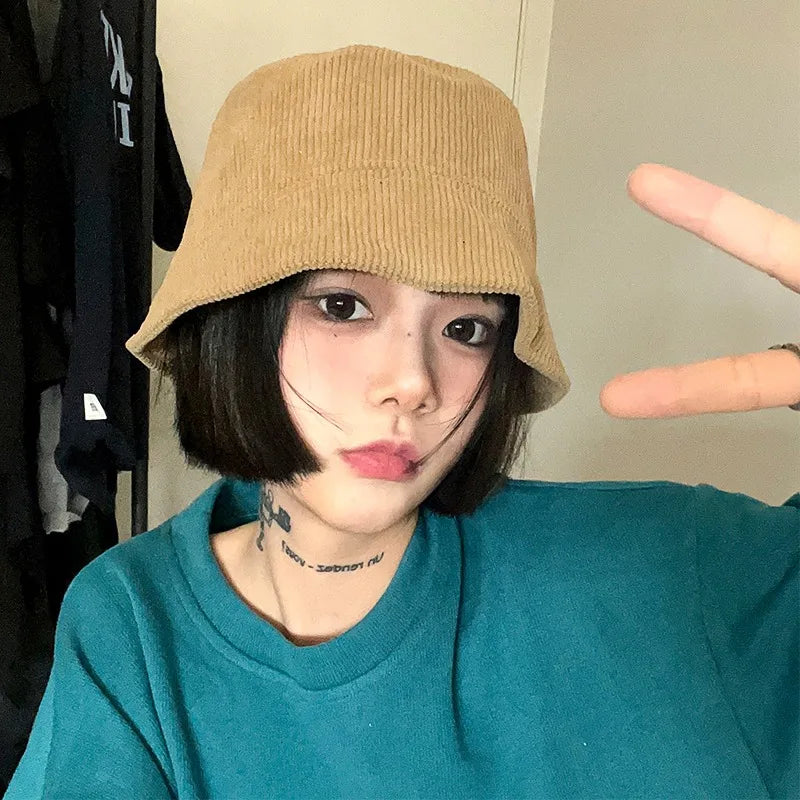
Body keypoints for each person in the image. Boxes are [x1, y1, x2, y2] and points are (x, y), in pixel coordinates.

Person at [5, 43, 798, 800]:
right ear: (234, 324)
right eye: (342, 306)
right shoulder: (134, 626)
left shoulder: (665, 570)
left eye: (466, 328)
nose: (414, 384)